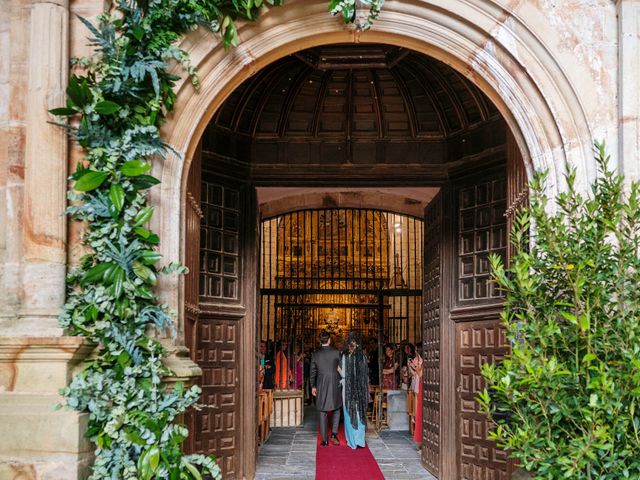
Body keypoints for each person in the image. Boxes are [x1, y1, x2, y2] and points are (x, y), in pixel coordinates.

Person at [310, 331, 342, 446]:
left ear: (320, 341)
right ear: (329, 340)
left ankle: (324, 440)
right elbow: (341, 368)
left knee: (322, 410)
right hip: (335, 382)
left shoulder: (315, 354)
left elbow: (312, 372)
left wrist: (313, 386)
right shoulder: (336, 352)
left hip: (321, 383)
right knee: (337, 408)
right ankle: (334, 433)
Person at [339, 331, 368, 449]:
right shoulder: (363, 357)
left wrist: (339, 371)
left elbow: (343, 373)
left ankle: (352, 441)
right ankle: (360, 440)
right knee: (359, 411)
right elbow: (365, 375)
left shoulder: (345, 357)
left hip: (348, 387)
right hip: (360, 387)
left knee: (349, 411)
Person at [408, 343, 424, 445]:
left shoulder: (422, 362)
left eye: (417, 350)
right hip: (417, 386)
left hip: (421, 387)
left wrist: (415, 366)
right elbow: (415, 374)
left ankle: (419, 437)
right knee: (416, 412)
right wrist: (412, 367)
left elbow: (420, 374)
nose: (415, 352)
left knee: (419, 412)